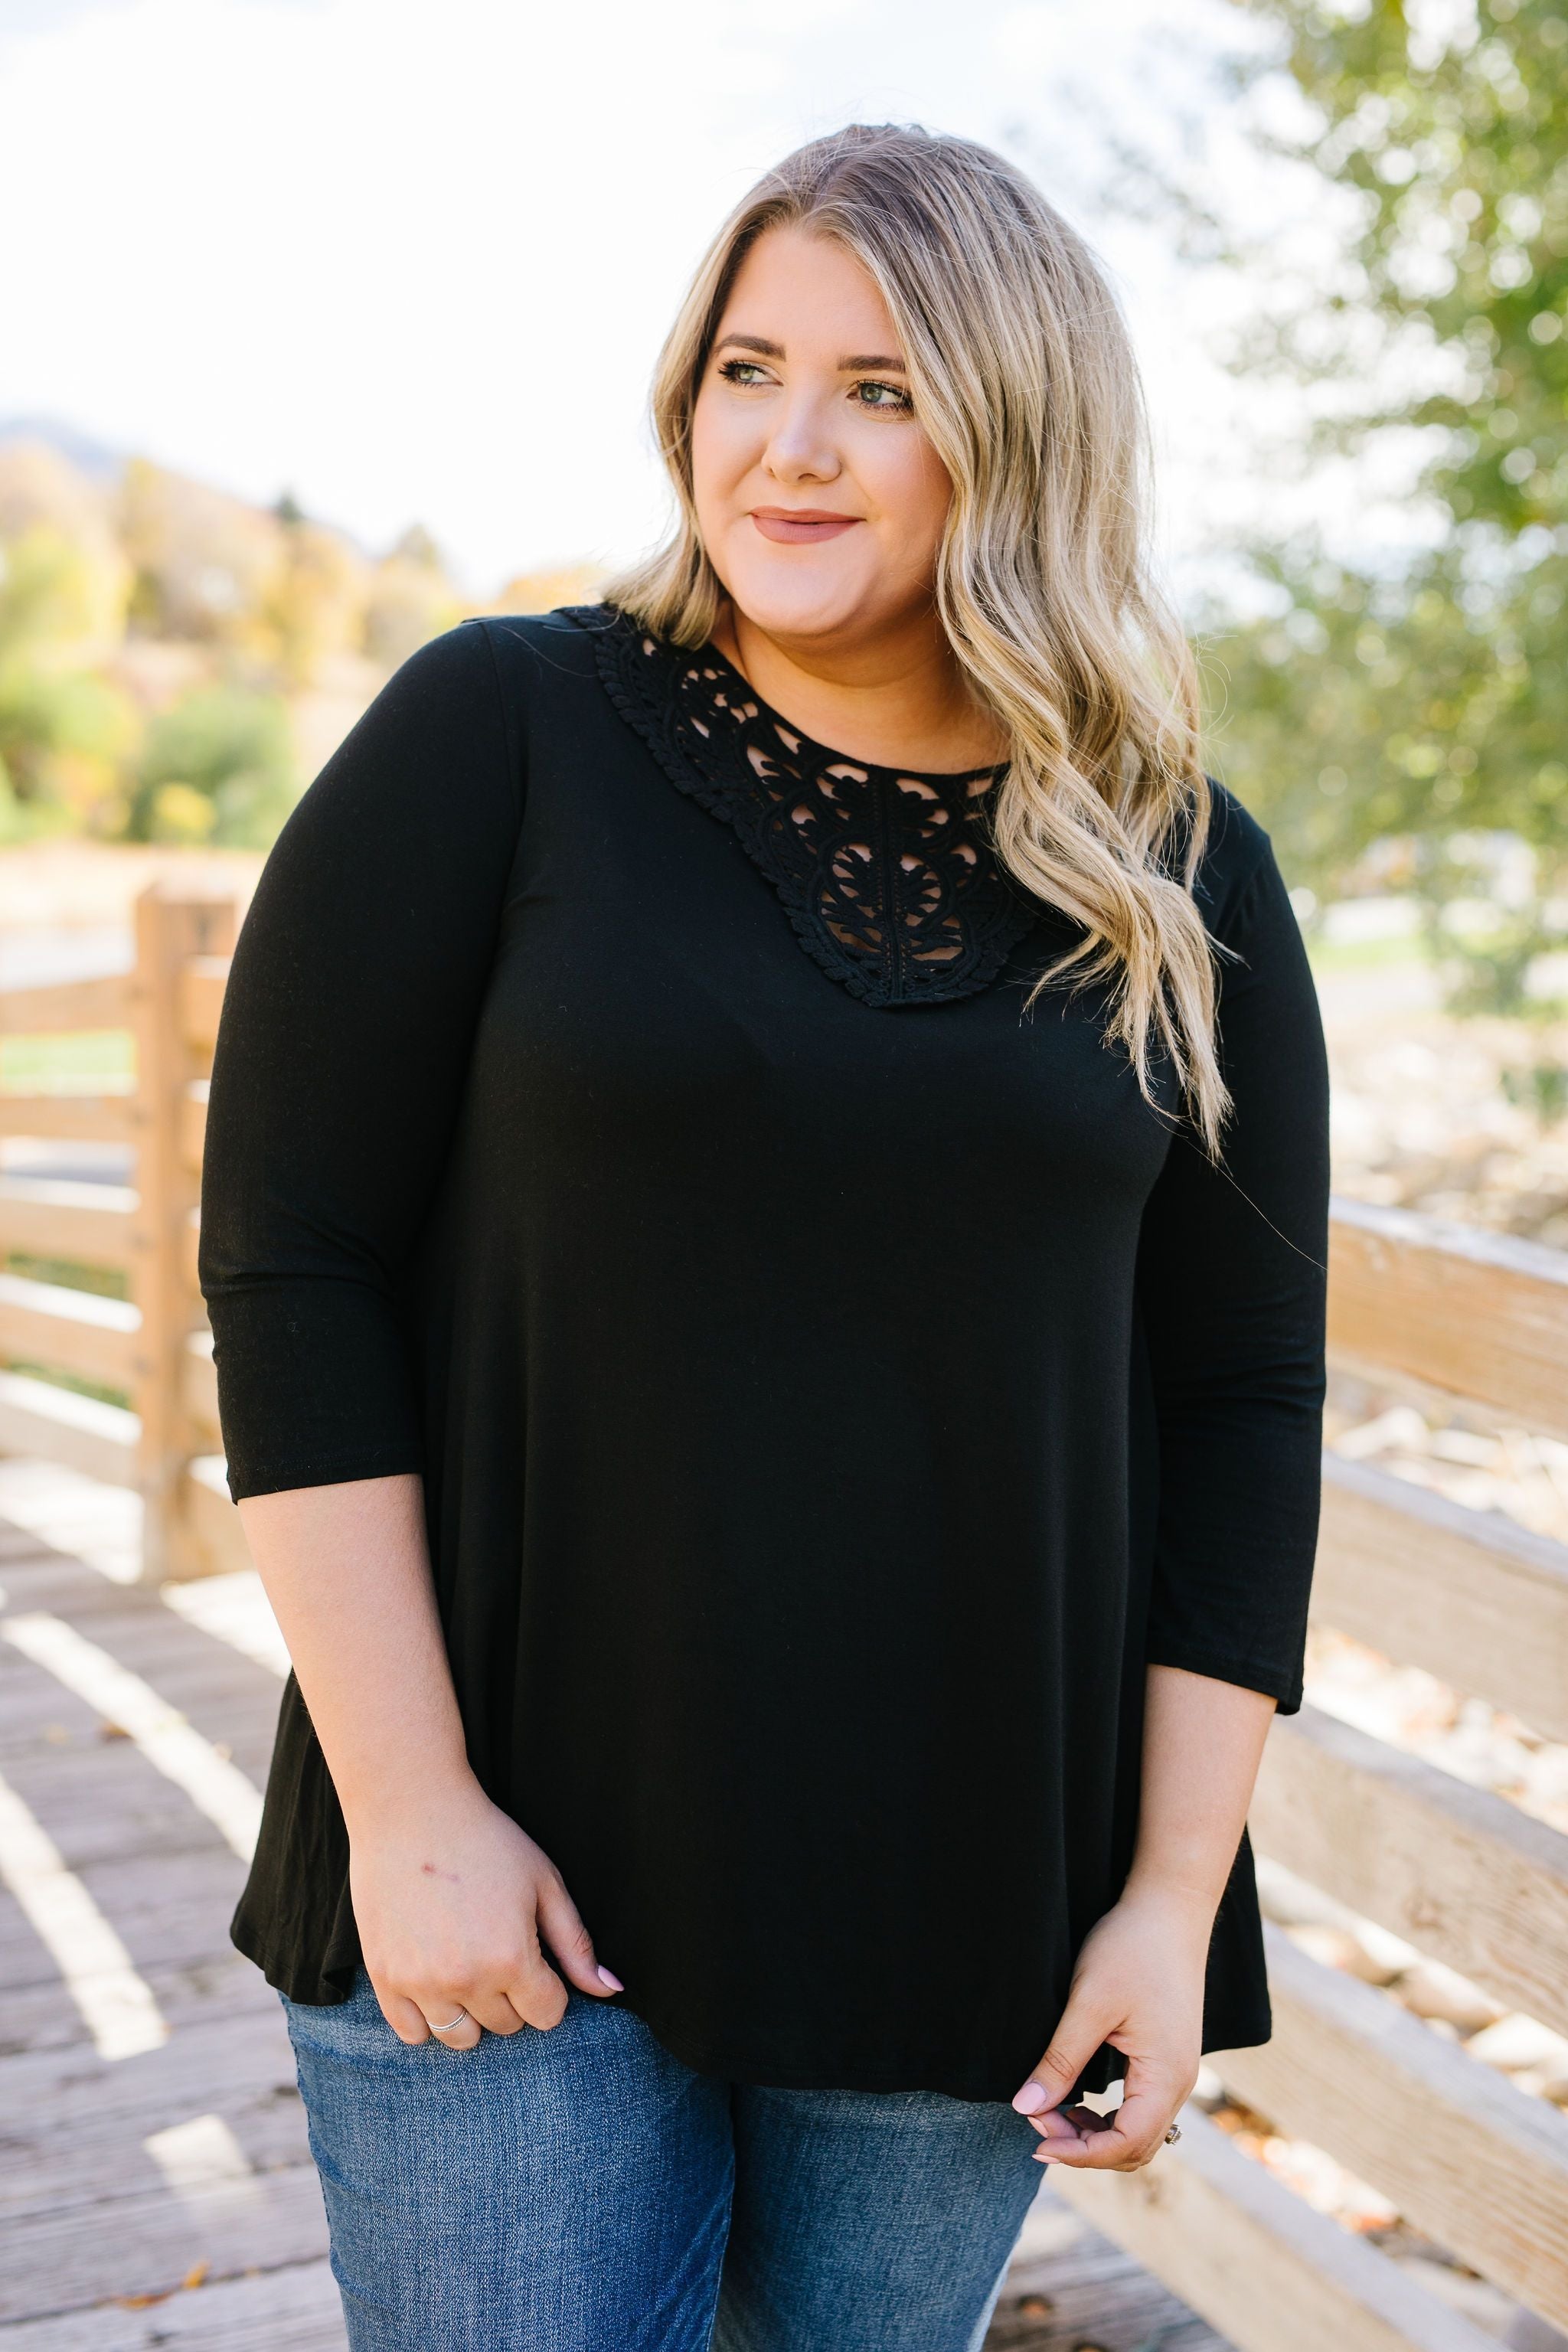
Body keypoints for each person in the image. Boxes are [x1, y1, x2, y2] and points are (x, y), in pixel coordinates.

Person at [199, 120, 1331, 2352]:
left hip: (976, 1896)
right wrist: (409, 1804)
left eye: (882, 391)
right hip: (505, 1861)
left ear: (1018, 439)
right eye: (748, 369)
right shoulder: (502, 730)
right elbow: (293, 1256)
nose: (789, 449)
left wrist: (1171, 1902)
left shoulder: (1181, 870)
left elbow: (1243, 1399)